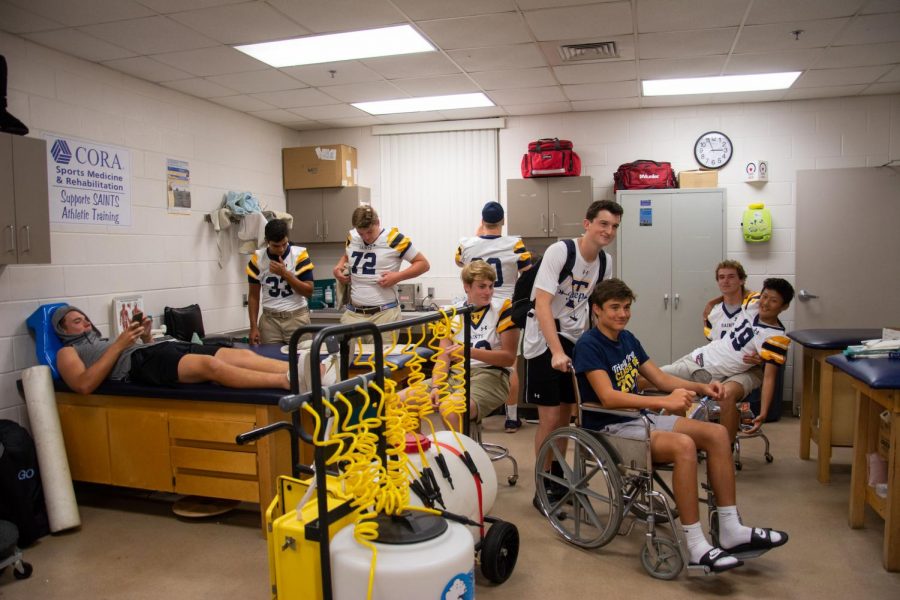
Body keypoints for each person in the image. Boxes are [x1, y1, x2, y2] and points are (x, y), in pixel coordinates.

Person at [573, 279, 788, 573]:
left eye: (626, 307)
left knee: (718, 434)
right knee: (684, 446)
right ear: (597, 310)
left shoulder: (627, 339)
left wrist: (702, 388)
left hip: (638, 419)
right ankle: (697, 545)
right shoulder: (589, 345)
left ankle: (729, 528)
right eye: (614, 308)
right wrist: (664, 402)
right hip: (610, 428)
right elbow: (608, 398)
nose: (622, 314)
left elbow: (660, 379)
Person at [524, 199, 619, 509]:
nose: (609, 231)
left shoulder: (605, 262)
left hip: (575, 340)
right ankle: (541, 487)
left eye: (615, 226)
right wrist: (555, 351)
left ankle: (558, 477)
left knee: (566, 417)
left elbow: (594, 308)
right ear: (587, 223)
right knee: (550, 420)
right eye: (604, 224)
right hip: (545, 339)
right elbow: (542, 305)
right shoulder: (561, 252)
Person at [659, 277, 794, 441]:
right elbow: (735, 291)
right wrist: (712, 303)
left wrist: (764, 413)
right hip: (706, 358)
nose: (765, 303)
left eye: (773, 301)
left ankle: (725, 449)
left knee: (726, 394)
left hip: (741, 371)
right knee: (650, 378)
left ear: (784, 306)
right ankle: (675, 438)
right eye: (765, 297)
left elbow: (769, 377)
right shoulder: (754, 301)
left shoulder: (775, 337)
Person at [53, 306, 291, 394]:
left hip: (159, 349)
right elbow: (83, 385)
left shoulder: (104, 340)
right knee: (211, 367)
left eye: (85, 318)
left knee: (238, 354)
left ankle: (301, 369)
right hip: (139, 364)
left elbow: (135, 350)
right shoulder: (68, 351)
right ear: (62, 330)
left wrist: (145, 336)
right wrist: (120, 344)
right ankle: (285, 381)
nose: (85, 323)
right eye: (76, 321)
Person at [455, 201, 532, 433]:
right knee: (510, 366)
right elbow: (527, 271)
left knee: (474, 359)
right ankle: (511, 417)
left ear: (482, 221)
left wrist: (478, 236)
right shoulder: (514, 244)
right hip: (504, 304)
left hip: (478, 305)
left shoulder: (466, 244)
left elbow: (459, 261)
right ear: (503, 221)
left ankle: (475, 409)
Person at [428, 261, 519, 431]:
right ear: (467, 287)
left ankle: (464, 456)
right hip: (455, 375)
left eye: (491, 286)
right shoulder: (451, 313)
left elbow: (508, 358)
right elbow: (443, 358)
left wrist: (468, 352)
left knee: (450, 410)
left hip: (491, 375)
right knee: (399, 401)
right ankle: (418, 454)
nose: (488, 292)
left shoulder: (503, 309)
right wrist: (435, 386)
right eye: (482, 286)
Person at [333, 206, 429, 331]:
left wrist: (397, 277)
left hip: (384, 315)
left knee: (383, 351)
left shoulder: (394, 239)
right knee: (351, 351)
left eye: (369, 232)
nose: (366, 237)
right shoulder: (352, 238)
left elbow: (423, 264)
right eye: (361, 233)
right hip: (353, 315)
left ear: (378, 222)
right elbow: (347, 255)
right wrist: (339, 267)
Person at [246, 218, 314, 345]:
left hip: (296, 317)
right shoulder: (258, 259)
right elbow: (253, 296)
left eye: (284, 244)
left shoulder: (299, 255)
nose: (281, 249)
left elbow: (309, 292)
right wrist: (253, 327)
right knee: (271, 363)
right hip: (269, 321)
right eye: (276, 246)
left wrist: (285, 274)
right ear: (267, 242)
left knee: (302, 361)